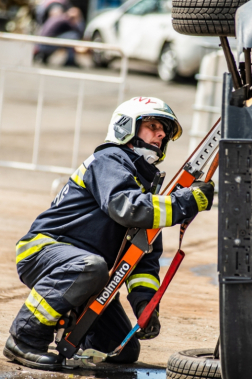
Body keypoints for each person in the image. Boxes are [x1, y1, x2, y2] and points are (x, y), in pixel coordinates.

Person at [3, 96, 214, 371]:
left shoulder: (146, 191)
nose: (161, 134)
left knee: (123, 351)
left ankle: (71, 330)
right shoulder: (108, 159)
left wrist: (145, 307)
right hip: (45, 250)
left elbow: (145, 261)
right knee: (90, 267)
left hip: (89, 273)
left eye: (164, 131)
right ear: (126, 127)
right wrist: (184, 202)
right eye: (153, 125)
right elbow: (126, 207)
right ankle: (25, 338)